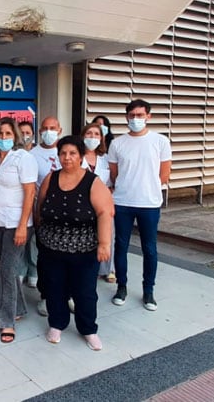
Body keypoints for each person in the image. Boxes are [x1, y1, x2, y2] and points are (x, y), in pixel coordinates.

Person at [36, 135, 114, 350]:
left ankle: (88, 328)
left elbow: (105, 213)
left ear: (80, 156)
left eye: (72, 153)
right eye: (63, 153)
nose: (67, 157)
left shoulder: (93, 181)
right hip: (51, 248)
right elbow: (40, 207)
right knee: (54, 288)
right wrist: (40, 234)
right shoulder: (51, 179)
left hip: (84, 250)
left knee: (85, 291)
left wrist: (104, 244)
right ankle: (57, 323)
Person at [108, 99, 172, 311]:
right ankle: (122, 287)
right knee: (121, 247)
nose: (136, 119)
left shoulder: (160, 141)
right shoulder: (117, 143)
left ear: (148, 116)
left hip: (149, 203)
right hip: (123, 202)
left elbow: (164, 174)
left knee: (150, 249)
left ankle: (148, 291)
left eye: (140, 115)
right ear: (126, 117)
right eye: (132, 115)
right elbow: (114, 174)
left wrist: (148, 188)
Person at [0, 117, 37, 343]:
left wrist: (23, 225)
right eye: (0, 134)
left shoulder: (23, 158)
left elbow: (30, 193)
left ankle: (7, 321)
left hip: (17, 222)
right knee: (10, 269)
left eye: (8, 134)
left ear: (14, 135)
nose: (4, 138)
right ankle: (19, 308)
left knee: (6, 270)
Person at [28, 116, 63, 316]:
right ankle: (45, 296)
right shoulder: (32, 154)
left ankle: (67, 295)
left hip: (67, 214)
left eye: (53, 128)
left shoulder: (67, 150)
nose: (49, 132)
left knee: (66, 257)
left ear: (60, 130)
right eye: (45, 128)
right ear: (40, 131)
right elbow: (31, 187)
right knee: (45, 259)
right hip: (43, 211)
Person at [81, 123, 115, 283]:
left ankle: (106, 269)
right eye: (89, 133)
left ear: (101, 138)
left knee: (106, 236)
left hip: (103, 204)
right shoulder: (76, 157)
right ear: (82, 136)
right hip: (81, 205)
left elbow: (112, 182)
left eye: (96, 134)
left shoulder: (106, 159)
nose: (92, 137)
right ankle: (88, 270)